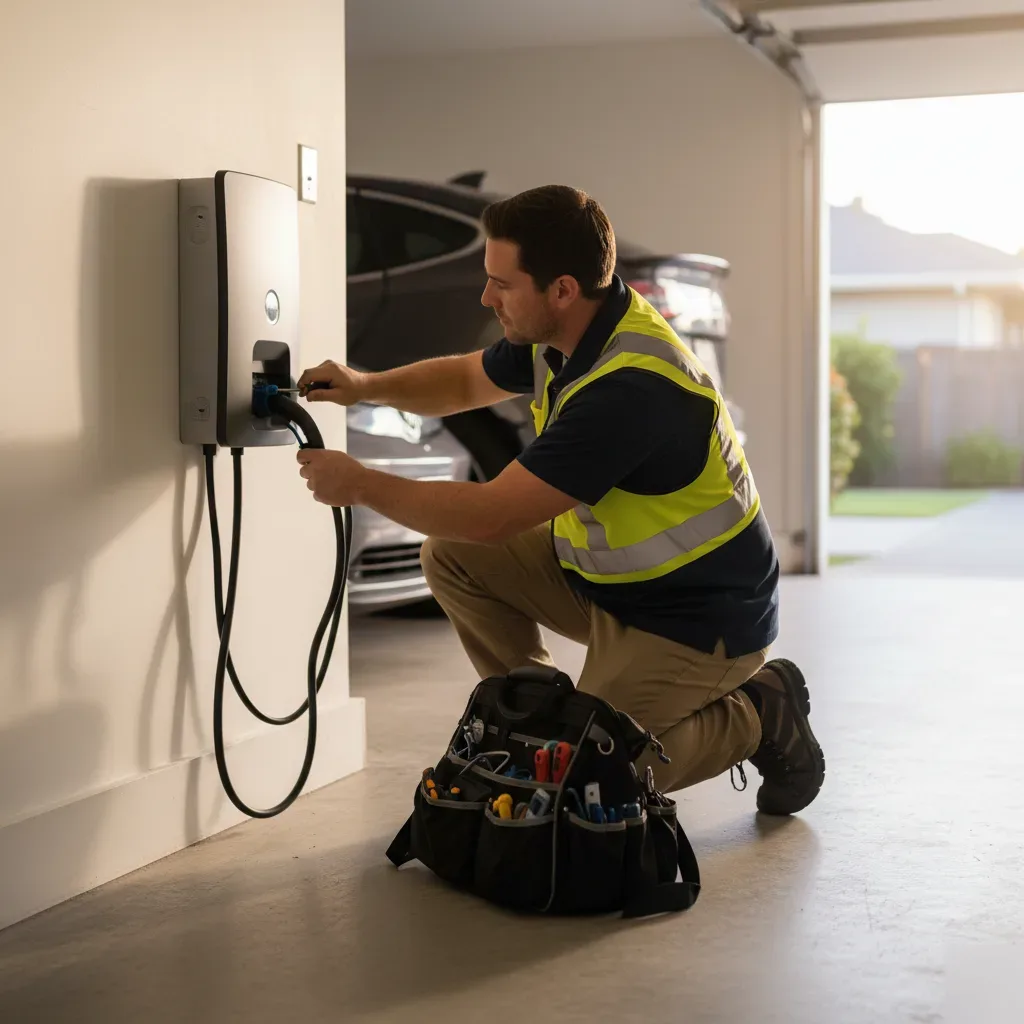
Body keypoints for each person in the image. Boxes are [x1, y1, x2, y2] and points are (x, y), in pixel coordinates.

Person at [297, 184, 824, 815]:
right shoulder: (567, 336)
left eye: (501, 283)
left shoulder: (630, 388)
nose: (486, 296)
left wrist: (359, 484)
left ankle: (761, 712)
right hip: (611, 583)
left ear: (563, 289)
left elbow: (493, 516)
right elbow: (467, 378)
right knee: (451, 556)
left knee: (595, 782)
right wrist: (365, 386)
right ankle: (540, 718)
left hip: (694, 620)